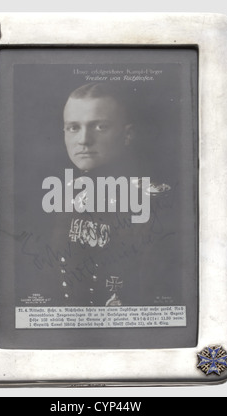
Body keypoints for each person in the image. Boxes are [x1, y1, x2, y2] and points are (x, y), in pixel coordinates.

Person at [40, 82, 180, 308]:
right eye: (73, 127)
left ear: (127, 134)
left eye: (100, 127)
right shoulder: (61, 195)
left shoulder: (152, 202)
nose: (83, 140)